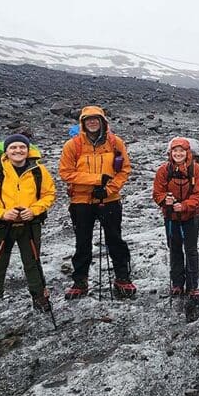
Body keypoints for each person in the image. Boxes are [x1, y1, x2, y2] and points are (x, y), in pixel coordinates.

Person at [0, 133, 56, 327]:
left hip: (29, 224)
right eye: (13, 148)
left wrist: (34, 210)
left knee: (33, 262)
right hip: (0, 226)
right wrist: (1, 213)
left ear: (28, 150)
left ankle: (40, 299)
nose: (18, 151)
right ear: (6, 152)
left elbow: (49, 194)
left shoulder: (39, 171)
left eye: (22, 147)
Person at [58, 106, 134, 299]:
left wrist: (108, 189)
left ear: (103, 121)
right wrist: (97, 180)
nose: (92, 122)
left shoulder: (116, 143)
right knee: (82, 242)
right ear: (83, 123)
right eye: (88, 119)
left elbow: (124, 170)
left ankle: (122, 277)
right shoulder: (72, 145)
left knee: (115, 239)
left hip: (110, 200)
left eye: (96, 119)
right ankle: (80, 281)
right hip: (81, 201)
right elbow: (65, 173)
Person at [152, 137, 199, 303]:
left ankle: (192, 286)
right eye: (175, 151)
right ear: (170, 153)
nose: (178, 154)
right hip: (171, 217)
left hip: (190, 216)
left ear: (187, 152)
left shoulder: (196, 170)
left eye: (181, 151)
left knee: (191, 250)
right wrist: (164, 200)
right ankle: (177, 283)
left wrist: (184, 206)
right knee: (174, 249)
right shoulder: (163, 170)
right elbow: (157, 192)